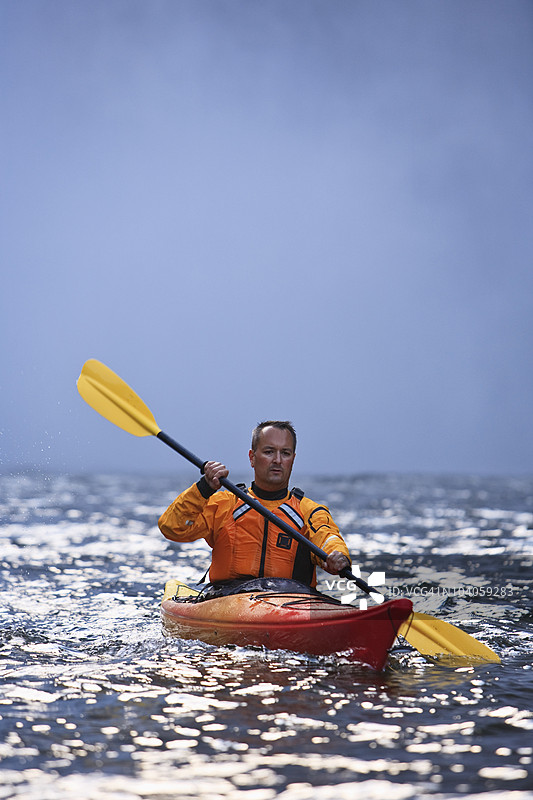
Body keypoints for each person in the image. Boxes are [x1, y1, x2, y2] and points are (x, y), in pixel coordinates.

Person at [158, 420, 351, 588]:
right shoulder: (224, 504)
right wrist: (204, 488)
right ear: (252, 457)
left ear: (293, 459)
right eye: (269, 452)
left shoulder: (310, 511)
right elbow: (172, 528)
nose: (277, 460)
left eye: (285, 453)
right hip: (228, 600)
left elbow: (328, 538)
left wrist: (337, 556)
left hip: (290, 602)